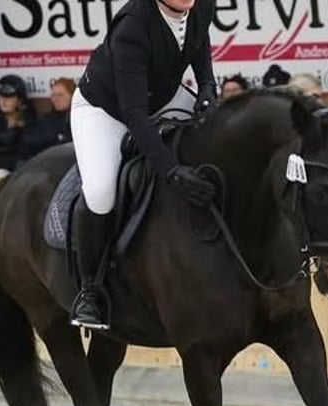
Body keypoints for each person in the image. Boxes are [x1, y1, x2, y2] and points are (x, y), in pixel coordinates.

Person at [70, 0, 218, 329]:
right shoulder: (133, 25)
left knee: (215, 135)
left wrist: (207, 84)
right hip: (106, 111)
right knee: (100, 191)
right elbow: (134, 114)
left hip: (163, 97)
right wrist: (171, 170)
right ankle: (89, 290)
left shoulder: (202, 3)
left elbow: (198, 39)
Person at [19, 78, 76, 162]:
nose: (56, 99)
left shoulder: (79, 119)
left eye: (60, 95)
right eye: (53, 95)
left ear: (72, 96)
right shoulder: (45, 120)